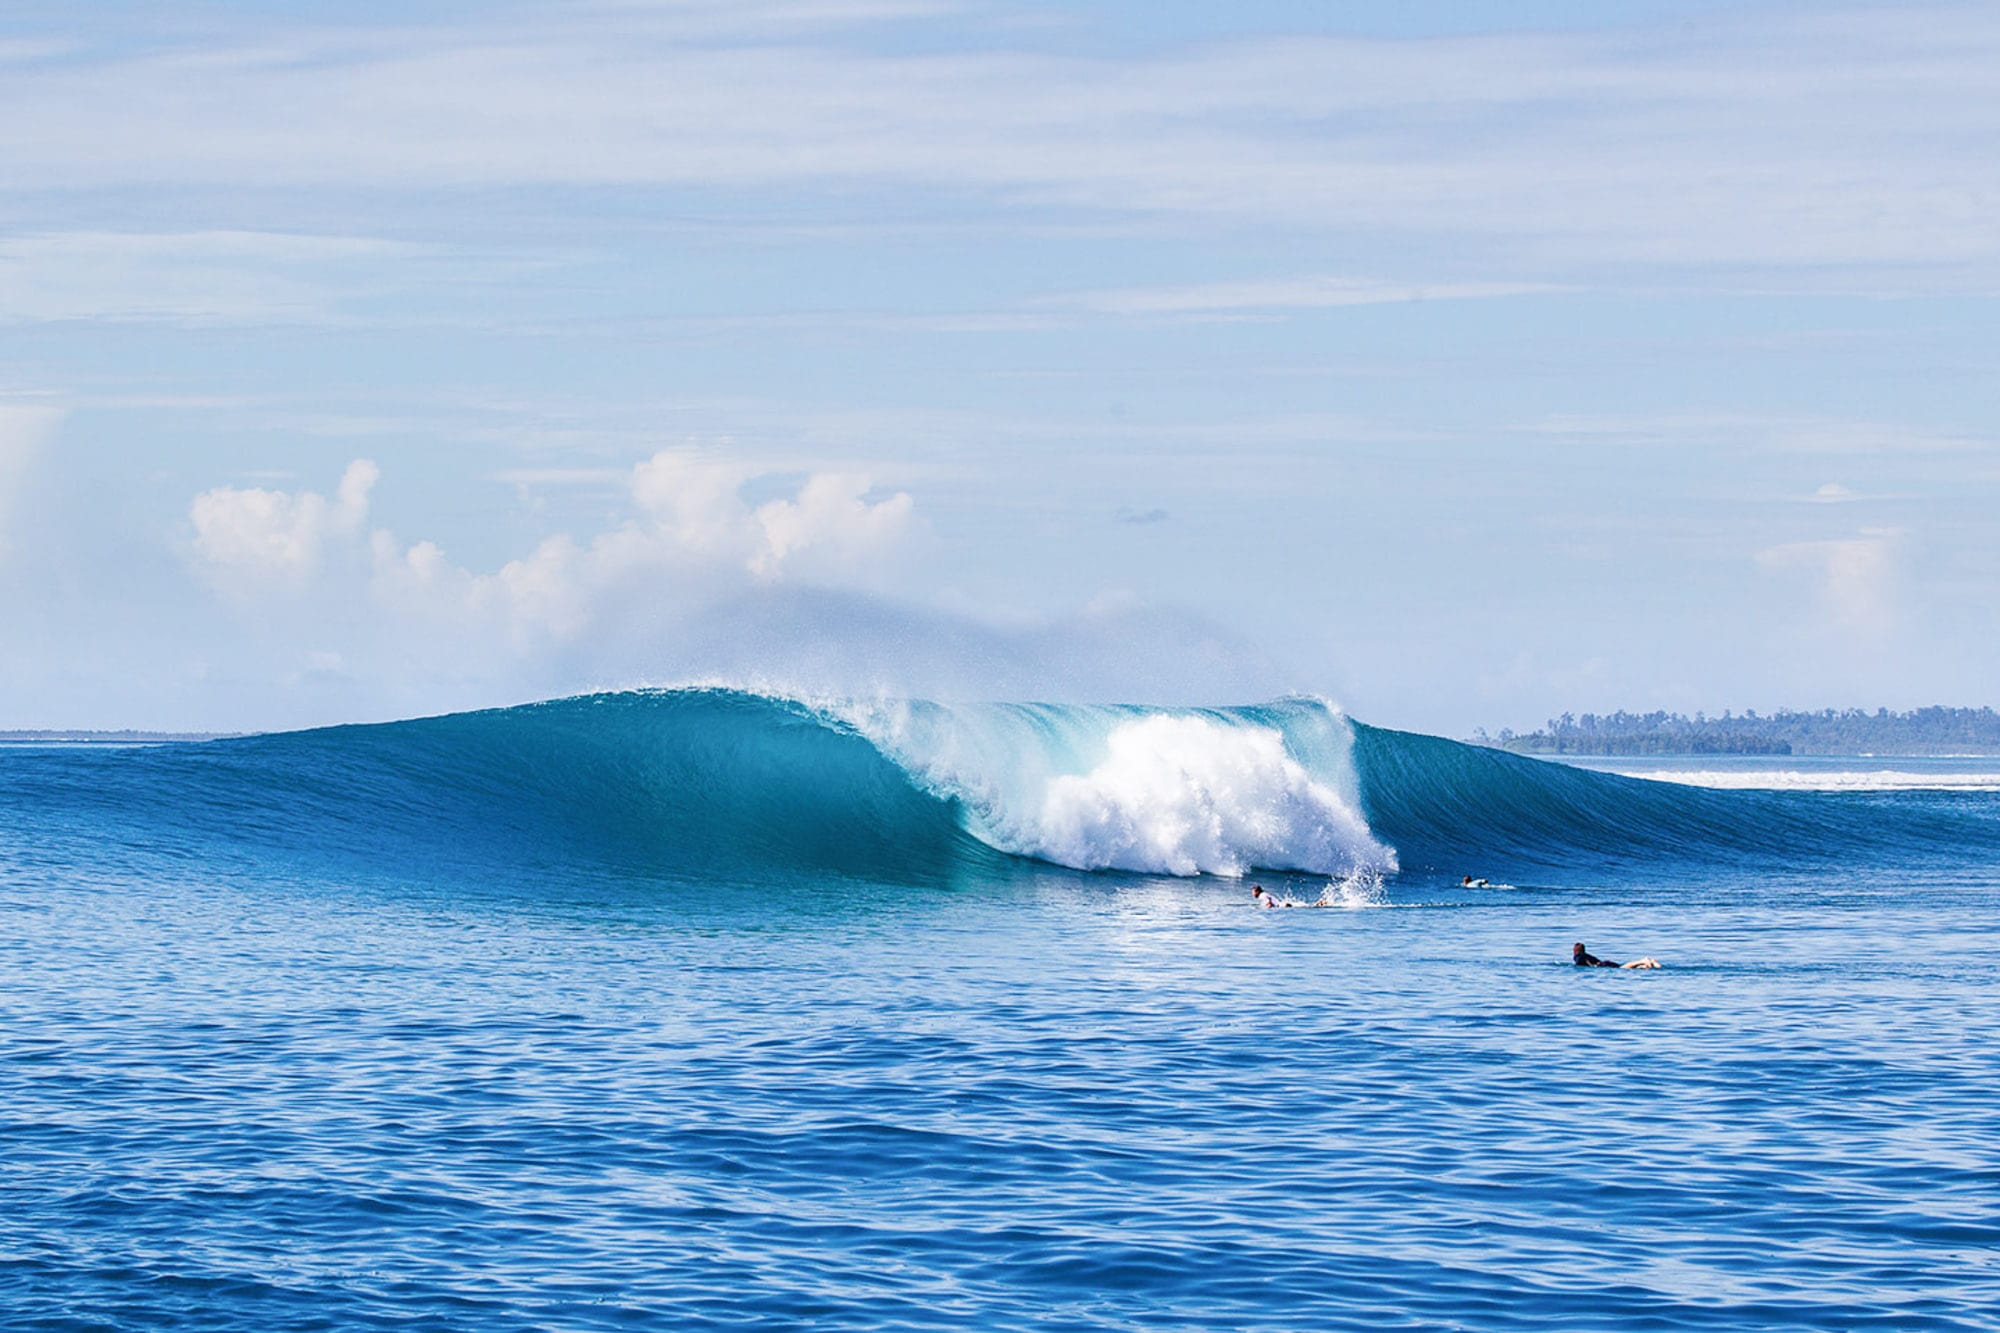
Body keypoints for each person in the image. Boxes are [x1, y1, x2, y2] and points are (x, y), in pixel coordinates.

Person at [1574, 941, 1661, 969]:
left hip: (1602, 965)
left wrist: (1592, 967)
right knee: (1624, 967)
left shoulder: (1578, 956)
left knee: (1623, 968)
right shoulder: (1587, 955)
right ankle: (1647, 964)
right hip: (1605, 963)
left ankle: (1642, 961)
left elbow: (1582, 962)